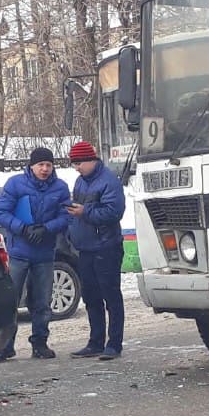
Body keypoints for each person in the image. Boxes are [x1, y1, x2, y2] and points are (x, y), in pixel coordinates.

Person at [0, 147, 72, 362]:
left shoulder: (60, 188)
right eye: (40, 165)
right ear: (31, 166)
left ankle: (40, 343)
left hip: (45, 253)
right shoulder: (15, 184)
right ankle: (5, 346)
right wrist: (23, 228)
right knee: (11, 301)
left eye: (48, 165)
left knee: (42, 302)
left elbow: (66, 216)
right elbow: (1, 213)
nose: (44, 169)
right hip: (19, 252)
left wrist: (46, 228)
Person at [65, 141, 126, 361]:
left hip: (106, 246)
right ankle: (96, 341)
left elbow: (113, 212)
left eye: (79, 163)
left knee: (111, 296)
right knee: (91, 296)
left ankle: (114, 343)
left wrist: (84, 212)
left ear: (91, 160)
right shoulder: (81, 182)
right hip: (86, 247)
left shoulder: (109, 181)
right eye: (74, 164)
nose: (76, 167)